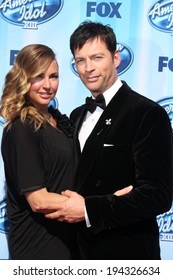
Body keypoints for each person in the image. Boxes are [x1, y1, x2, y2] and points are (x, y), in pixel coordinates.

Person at [45, 21, 173, 260]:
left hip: (126, 255)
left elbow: (158, 195)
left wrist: (87, 209)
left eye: (97, 58)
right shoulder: (76, 115)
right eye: (80, 60)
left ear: (115, 58)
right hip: (78, 253)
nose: (88, 68)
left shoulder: (147, 114)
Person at [0, 44, 77, 260]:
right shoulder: (21, 127)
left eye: (53, 76)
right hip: (38, 247)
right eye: (38, 76)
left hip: (67, 240)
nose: (47, 85)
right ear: (24, 79)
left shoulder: (58, 122)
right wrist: (96, 207)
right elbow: (39, 200)